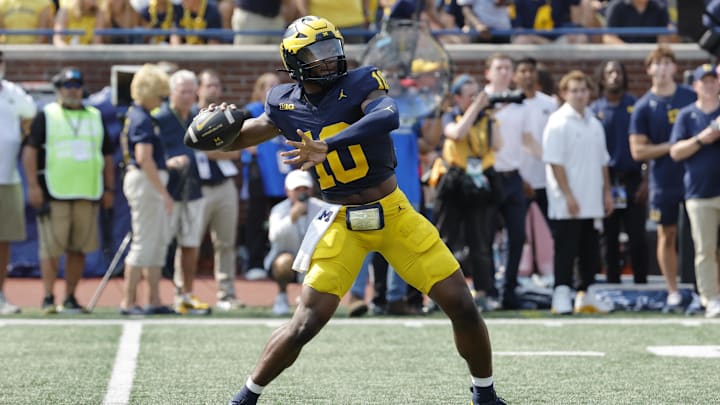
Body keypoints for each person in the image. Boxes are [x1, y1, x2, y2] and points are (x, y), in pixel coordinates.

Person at [213, 16, 504, 405]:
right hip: (340, 221)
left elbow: (387, 116)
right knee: (305, 323)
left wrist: (328, 146)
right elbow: (237, 139)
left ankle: (484, 395)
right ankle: (244, 398)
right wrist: (209, 130)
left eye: (333, 48)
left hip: (394, 213)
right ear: (294, 61)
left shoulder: (362, 82)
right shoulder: (283, 102)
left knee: (461, 304)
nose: (330, 59)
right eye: (318, 53)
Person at [22, 67, 114, 314]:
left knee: (80, 248)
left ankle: (71, 296)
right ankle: (49, 296)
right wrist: (33, 185)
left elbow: (106, 155)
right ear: (58, 89)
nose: (72, 90)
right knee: (52, 248)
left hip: (88, 191)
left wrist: (109, 188)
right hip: (55, 191)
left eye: (76, 85)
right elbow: (30, 152)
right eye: (67, 86)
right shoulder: (47, 115)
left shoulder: (95, 115)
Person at [629, 45, 696, 311]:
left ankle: (708, 291)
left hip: (694, 176)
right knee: (666, 234)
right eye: (657, 63)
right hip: (663, 179)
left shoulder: (690, 96)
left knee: (707, 236)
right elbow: (638, 150)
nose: (662, 68)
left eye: (667, 62)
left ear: (675, 68)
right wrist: (674, 146)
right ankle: (672, 291)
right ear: (649, 69)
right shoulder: (644, 106)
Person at [543, 70, 614, 315]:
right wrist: (568, 195)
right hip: (567, 202)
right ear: (564, 94)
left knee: (589, 249)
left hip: (592, 199)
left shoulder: (594, 123)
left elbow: (603, 162)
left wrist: (607, 192)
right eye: (574, 90)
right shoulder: (557, 122)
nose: (579, 95)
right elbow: (554, 162)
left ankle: (587, 293)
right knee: (566, 248)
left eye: (583, 90)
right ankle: (561, 292)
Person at [434, 74, 501, 312]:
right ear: (458, 98)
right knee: (446, 241)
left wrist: (488, 115)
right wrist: (475, 109)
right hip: (454, 182)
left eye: (477, 95)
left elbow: (498, 144)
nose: (475, 100)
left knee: (480, 241)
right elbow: (457, 133)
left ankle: (484, 291)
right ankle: (443, 293)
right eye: (469, 96)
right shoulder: (451, 115)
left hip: (479, 183)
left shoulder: (486, 118)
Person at [119, 63, 175, 315]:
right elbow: (143, 158)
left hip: (147, 181)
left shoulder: (139, 114)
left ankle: (153, 298)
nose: (162, 98)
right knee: (143, 243)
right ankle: (128, 302)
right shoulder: (141, 117)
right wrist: (163, 192)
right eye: (159, 92)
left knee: (156, 241)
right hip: (145, 182)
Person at [154, 69, 210, 315]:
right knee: (159, 244)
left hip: (194, 188)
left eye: (191, 91)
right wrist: (168, 162)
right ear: (171, 92)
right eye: (182, 91)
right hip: (167, 190)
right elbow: (149, 153)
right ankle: (154, 297)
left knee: (190, 243)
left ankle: (185, 294)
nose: (187, 96)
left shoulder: (199, 116)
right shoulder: (161, 117)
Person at [589, 60, 649, 285]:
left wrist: (647, 179)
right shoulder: (594, 110)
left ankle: (640, 283)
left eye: (618, 72)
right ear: (602, 78)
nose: (614, 76)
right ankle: (612, 283)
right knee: (609, 236)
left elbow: (647, 143)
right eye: (609, 72)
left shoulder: (635, 105)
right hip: (606, 181)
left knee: (638, 237)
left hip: (633, 178)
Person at [669, 64, 720, 318]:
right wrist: (705, 136)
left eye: (713, 80)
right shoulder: (686, 115)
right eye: (704, 81)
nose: (709, 85)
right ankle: (710, 297)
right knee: (705, 249)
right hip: (699, 193)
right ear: (695, 86)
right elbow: (675, 152)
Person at [195, 69, 245, 311]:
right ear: (199, 89)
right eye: (208, 85)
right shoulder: (191, 116)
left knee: (226, 242)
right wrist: (211, 148)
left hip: (224, 185)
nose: (213, 90)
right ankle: (183, 293)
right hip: (198, 188)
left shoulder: (224, 116)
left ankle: (227, 294)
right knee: (190, 242)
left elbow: (235, 151)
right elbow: (194, 148)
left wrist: (207, 148)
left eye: (216, 85)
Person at [483, 53, 528, 309]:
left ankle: (509, 290)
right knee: (486, 236)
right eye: (498, 67)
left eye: (507, 68)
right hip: (489, 176)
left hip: (513, 176)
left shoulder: (521, 102)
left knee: (518, 235)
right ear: (488, 72)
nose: (503, 72)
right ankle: (489, 290)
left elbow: (530, 139)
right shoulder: (480, 100)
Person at [0, 52, 37, 314]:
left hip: (8, 179)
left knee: (4, 241)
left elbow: (31, 112)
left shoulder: (12, 91)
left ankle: (0, 295)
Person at [265, 169, 325, 315]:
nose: (301, 192)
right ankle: (282, 296)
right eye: (297, 189)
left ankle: (309, 299)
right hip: (288, 257)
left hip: (312, 258)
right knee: (282, 262)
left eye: (305, 188)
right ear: (287, 191)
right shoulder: (278, 209)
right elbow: (274, 237)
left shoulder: (321, 207)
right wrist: (292, 218)